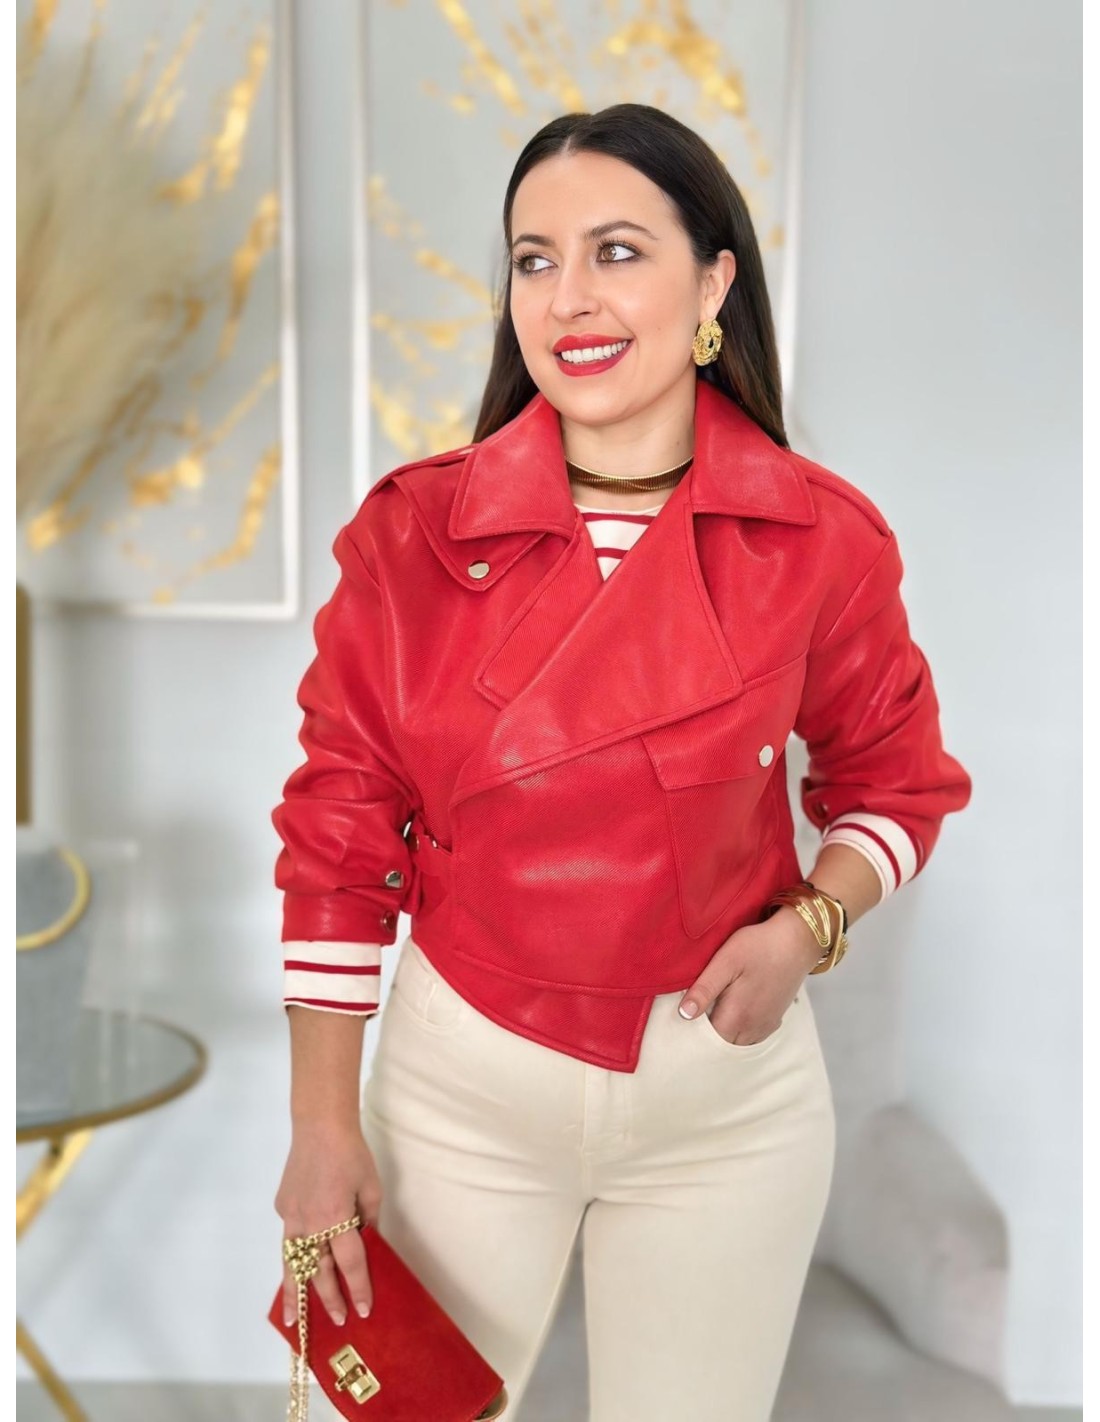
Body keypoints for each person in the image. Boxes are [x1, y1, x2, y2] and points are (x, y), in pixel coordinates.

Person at [272, 103, 971, 1421]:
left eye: (617, 251)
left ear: (713, 283)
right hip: (461, 1083)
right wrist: (321, 1124)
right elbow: (338, 838)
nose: (569, 297)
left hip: (724, 1103)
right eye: (534, 260)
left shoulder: (820, 540)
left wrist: (811, 924)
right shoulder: (413, 535)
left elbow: (896, 784)